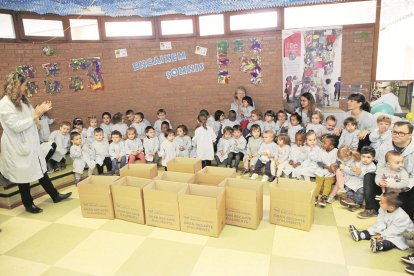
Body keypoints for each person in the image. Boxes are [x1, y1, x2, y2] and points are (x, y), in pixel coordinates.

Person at [0, 72, 71, 214]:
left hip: (31, 143)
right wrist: (36, 115)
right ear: (16, 85)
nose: (26, 87)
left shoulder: (23, 100)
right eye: (24, 84)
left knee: (40, 169)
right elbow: (16, 126)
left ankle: (55, 195)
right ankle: (28, 204)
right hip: (18, 146)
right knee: (23, 176)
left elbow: (32, 115)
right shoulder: (4, 104)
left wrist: (38, 118)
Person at [358, 121, 414, 219]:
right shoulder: (385, 146)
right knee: (369, 176)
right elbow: (380, 167)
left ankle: (408, 217)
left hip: (406, 183)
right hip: (386, 181)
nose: (396, 135)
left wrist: (400, 187)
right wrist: (380, 181)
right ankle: (371, 208)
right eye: (394, 132)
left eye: (401, 133)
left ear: (410, 135)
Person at [349, 191, 414, 252]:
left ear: (391, 207)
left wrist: (382, 235)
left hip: (403, 234)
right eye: (380, 200)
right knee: (374, 228)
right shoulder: (383, 208)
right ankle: (361, 235)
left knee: (394, 239)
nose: (379, 203)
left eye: (382, 202)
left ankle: (380, 245)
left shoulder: (401, 216)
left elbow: (394, 230)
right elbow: (380, 221)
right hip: (388, 228)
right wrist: (379, 232)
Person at [340, 146, 376, 212]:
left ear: (373, 158)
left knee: (361, 191)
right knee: (347, 187)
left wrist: (358, 171)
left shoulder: (372, 167)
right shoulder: (358, 162)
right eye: (363, 156)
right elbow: (351, 172)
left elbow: (366, 177)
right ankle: (350, 199)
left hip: (363, 182)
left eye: (368, 157)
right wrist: (345, 168)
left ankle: (357, 203)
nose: (365, 159)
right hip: (355, 180)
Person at [314, 135, 338, 207]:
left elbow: (339, 161)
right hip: (321, 170)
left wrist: (334, 165)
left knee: (328, 184)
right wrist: (327, 167)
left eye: (324, 143)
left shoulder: (336, 151)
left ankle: (324, 197)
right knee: (318, 183)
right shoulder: (320, 151)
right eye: (322, 142)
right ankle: (315, 196)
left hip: (331, 173)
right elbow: (318, 162)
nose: (322, 144)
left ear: (331, 146)